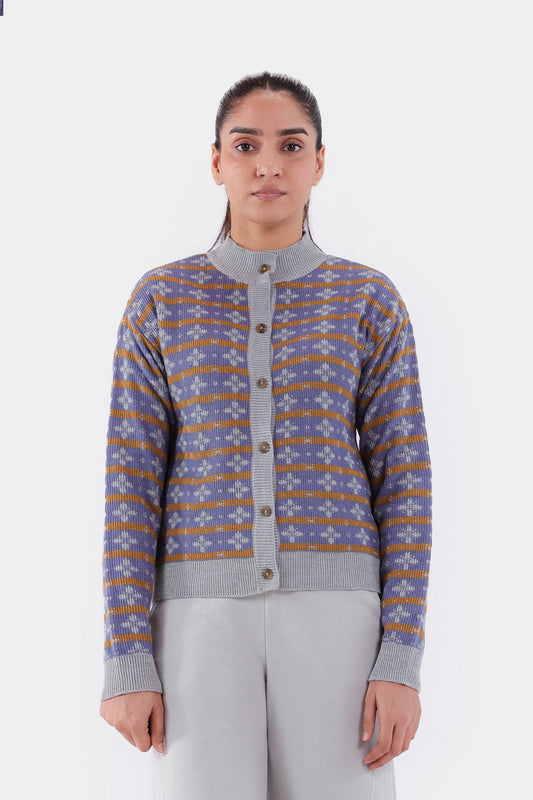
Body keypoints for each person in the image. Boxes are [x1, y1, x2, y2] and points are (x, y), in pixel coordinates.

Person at [99, 71, 432, 800]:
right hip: (196, 624)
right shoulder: (161, 300)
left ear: (319, 161)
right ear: (217, 161)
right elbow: (131, 484)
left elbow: (404, 482)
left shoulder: (367, 300)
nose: (268, 165)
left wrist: (400, 657)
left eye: (291, 145)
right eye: (246, 145)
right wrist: (127, 656)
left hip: (338, 620)